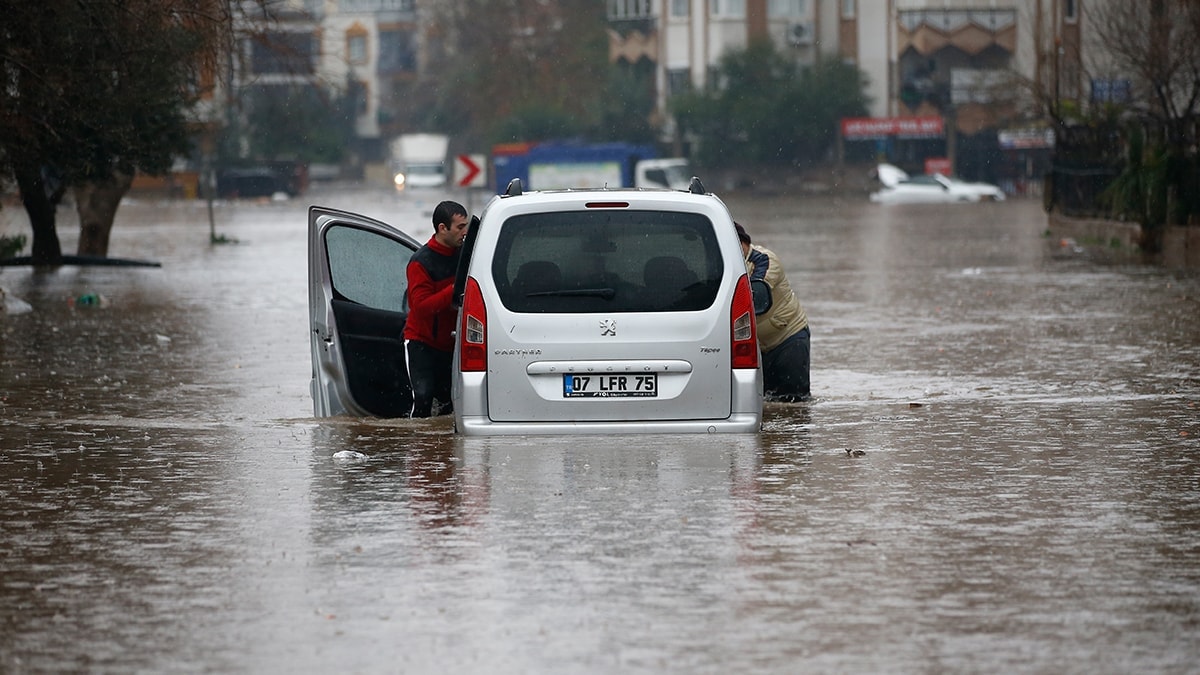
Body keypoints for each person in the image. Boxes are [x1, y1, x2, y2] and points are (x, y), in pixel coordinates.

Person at [405, 200, 470, 417]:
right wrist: (454, 289)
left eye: (467, 226)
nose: (465, 232)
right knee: (423, 399)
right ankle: (420, 448)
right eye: (460, 227)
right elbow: (421, 307)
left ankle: (446, 451)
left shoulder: (465, 256)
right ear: (443, 228)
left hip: (452, 344)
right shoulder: (421, 263)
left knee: (450, 405)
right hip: (422, 344)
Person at [736, 222, 811, 402]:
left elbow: (754, 295)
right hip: (758, 348)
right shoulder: (725, 266)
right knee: (764, 402)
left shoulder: (765, 260)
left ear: (743, 242)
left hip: (788, 339)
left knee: (794, 403)